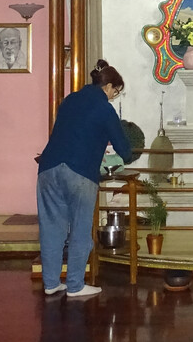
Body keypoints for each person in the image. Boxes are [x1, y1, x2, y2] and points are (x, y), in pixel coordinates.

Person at [36, 60, 132, 298]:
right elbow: (124, 148)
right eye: (115, 92)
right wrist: (127, 157)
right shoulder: (104, 108)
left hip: (47, 168)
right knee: (80, 229)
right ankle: (76, 285)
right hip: (79, 172)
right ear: (108, 86)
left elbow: (69, 133)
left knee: (51, 229)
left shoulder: (69, 100)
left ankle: (50, 283)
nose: (113, 96)